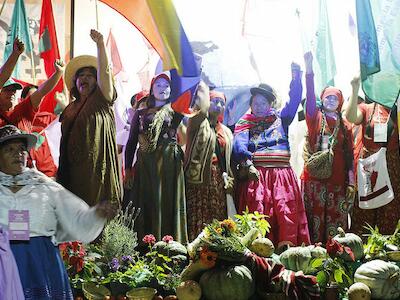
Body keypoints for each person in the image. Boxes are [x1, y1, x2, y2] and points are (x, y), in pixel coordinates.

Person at [0, 125, 116, 299]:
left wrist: (96, 214)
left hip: (42, 262)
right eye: (10, 149)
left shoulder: (43, 185)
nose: (18, 154)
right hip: (3, 264)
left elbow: (76, 216)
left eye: (22, 149)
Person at [233, 63, 310, 249]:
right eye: (256, 103)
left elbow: (294, 101)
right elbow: (239, 144)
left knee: (285, 214)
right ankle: (259, 257)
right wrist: (247, 161)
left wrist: (296, 77)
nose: (259, 106)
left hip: (282, 177)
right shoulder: (245, 123)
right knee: (258, 213)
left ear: (270, 105)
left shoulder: (281, 118)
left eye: (263, 103)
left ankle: (287, 253)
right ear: (251, 105)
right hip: (257, 176)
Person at [57, 29, 121, 206]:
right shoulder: (71, 107)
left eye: (90, 76)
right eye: (81, 76)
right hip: (71, 172)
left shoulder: (101, 100)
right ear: (75, 82)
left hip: (96, 175)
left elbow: (106, 74)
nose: (84, 79)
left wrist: (100, 44)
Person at [123, 72, 188, 243]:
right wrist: (128, 169)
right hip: (146, 164)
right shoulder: (140, 114)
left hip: (169, 164)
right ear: (152, 89)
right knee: (147, 201)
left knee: (167, 201)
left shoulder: (176, 112)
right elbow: (130, 143)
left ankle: (169, 242)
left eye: (166, 85)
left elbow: (190, 97)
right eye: (158, 85)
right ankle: (145, 243)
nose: (162, 89)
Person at [301, 52, 355, 243]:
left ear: (340, 102)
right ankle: (315, 256)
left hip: (337, 180)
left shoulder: (346, 125)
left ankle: (336, 256)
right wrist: (309, 71)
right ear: (322, 99)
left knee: (335, 222)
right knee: (314, 219)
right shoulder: (314, 117)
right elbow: (309, 94)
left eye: (335, 98)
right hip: (314, 180)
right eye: (328, 97)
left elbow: (350, 156)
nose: (331, 100)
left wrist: (351, 182)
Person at [344, 76, 400, 235]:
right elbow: (351, 117)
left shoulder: (397, 110)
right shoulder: (367, 108)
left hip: (392, 167)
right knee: (364, 212)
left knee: (390, 211)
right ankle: (361, 253)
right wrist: (355, 88)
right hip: (369, 167)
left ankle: (386, 252)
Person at [184, 84, 234, 241]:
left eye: (221, 103)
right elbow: (200, 111)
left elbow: (229, 157)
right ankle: (196, 249)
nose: (218, 106)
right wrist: (203, 87)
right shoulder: (197, 123)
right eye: (214, 101)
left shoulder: (226, 131)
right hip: (198, 178)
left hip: (218, 179)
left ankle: (216, 249)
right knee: (198, 211)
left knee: (216, 212)